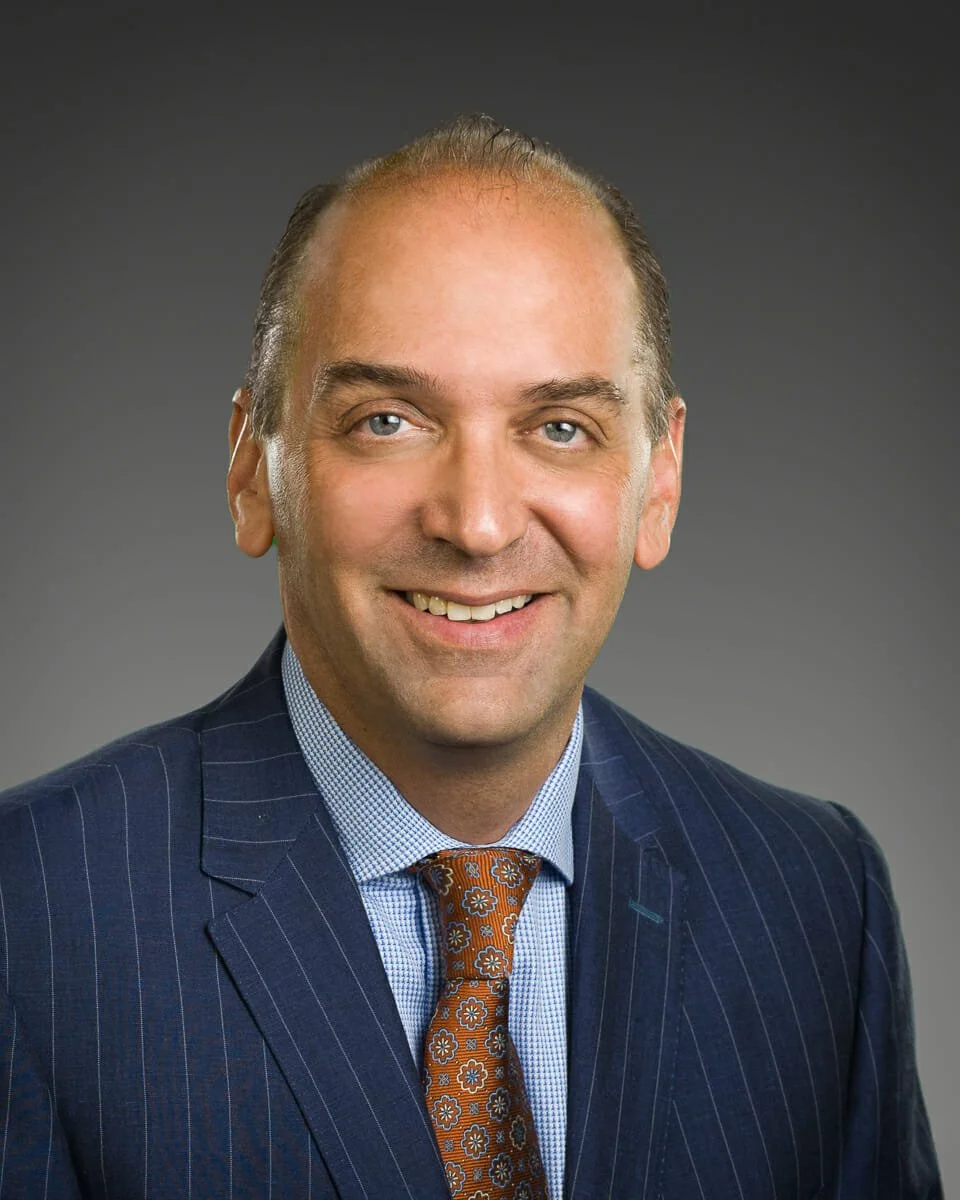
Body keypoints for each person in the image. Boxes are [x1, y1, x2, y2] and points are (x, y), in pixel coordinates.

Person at [0, 115, 941, 1199]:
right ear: (252, 471)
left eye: (558, 428)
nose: (480, 522)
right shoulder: (31, 921)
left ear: (660, 481)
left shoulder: (814, 900)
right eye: (388, 421)